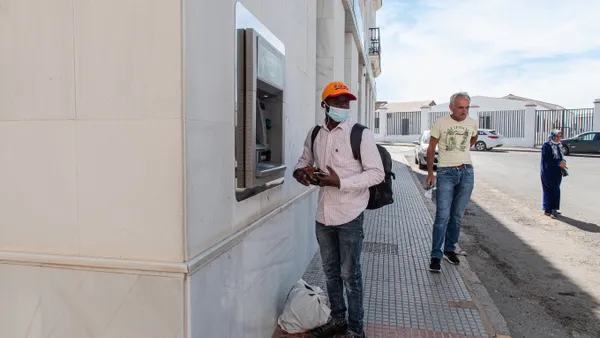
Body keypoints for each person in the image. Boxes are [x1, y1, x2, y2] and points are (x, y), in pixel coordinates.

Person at [293, 81, 384, 338]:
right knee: (331, 272)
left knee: (350, 274)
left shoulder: (360, 134)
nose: (344, 105)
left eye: (347, 101)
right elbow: (303, 163)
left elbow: (376, 174)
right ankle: (338, 319)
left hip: (350, 213)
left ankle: (356, 329)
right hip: (323, 215)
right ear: (325, 105)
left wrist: (340, 181)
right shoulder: (315, 134)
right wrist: (302, 173)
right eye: (338, 101)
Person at [426, 92, 478, 273]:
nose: (464, 111)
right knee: (442, 216)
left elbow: (473, 138)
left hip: (466, 172)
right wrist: (431, 173)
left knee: (457, 215)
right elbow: (431, 148)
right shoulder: (441, 123)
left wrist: (461, 150)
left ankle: (449, 249)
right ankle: (435, 256)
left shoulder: (471, 123)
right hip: (446, 172)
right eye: (460, 107)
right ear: (451, 107)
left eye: (466, 107)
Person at [541, 129, 567, 219]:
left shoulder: (559, 145)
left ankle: (548, 209)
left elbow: (560, 157)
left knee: (554, 189)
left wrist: (563, 161)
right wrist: (558, 163)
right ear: (552, 136)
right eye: (557, 136)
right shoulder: (547, 145)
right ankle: (553, 209)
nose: (559, 138)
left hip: (557, 172)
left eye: (560, 136)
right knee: (552, 190)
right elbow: (547, 159)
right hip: (548, 171)